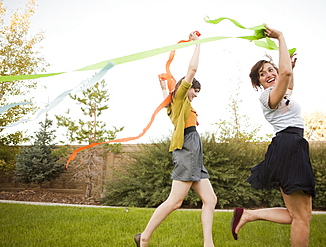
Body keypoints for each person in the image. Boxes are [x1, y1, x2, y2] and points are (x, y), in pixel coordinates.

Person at [230, 26, 316, 247]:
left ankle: (248, 215)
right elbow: (284, 75)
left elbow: (288, 82)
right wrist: (280, 38)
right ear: (258, 82)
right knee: (301, 217)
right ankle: (248, 215)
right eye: (263, 74)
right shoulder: (267, 96)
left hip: (293, 145)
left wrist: (290, 69)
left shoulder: (281, 93)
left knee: (300, 215)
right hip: (288, 145)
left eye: (271, 70)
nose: (269, 74)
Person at [134, 31, 217, 247]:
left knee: (210, 199)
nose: (196, 94)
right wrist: (198, 44)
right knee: (175, 201)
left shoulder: (176, 104)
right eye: (195, 90)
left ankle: (208, 244)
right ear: (186, 87)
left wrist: (161, 85)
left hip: (194, 152)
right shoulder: (180, 97)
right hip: (187, 149)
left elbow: (165, 96)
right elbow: (192, 69)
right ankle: (143, 237)